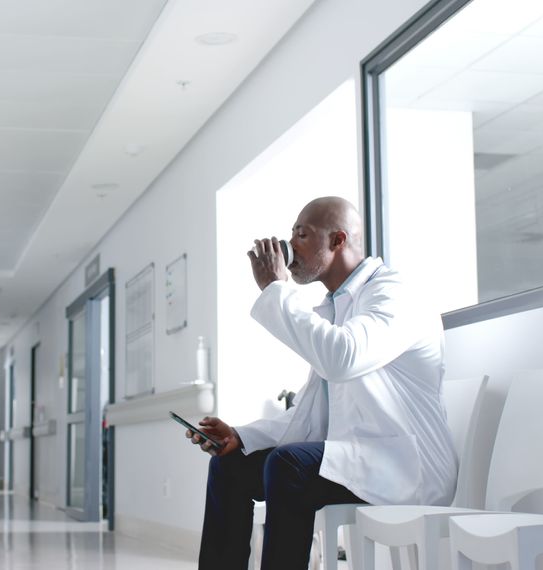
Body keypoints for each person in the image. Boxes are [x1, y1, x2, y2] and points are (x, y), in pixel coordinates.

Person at [187, 196, 457, 569]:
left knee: (289, 466)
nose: (290, 245)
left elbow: (342, 358)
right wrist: (241, 436)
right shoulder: (336, 306)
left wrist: (275, 290)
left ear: (338, 240)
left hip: (407, 464)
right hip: (358, 457)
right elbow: (311, 414)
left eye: (302, 234)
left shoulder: (393, 293)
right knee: (229, 466)